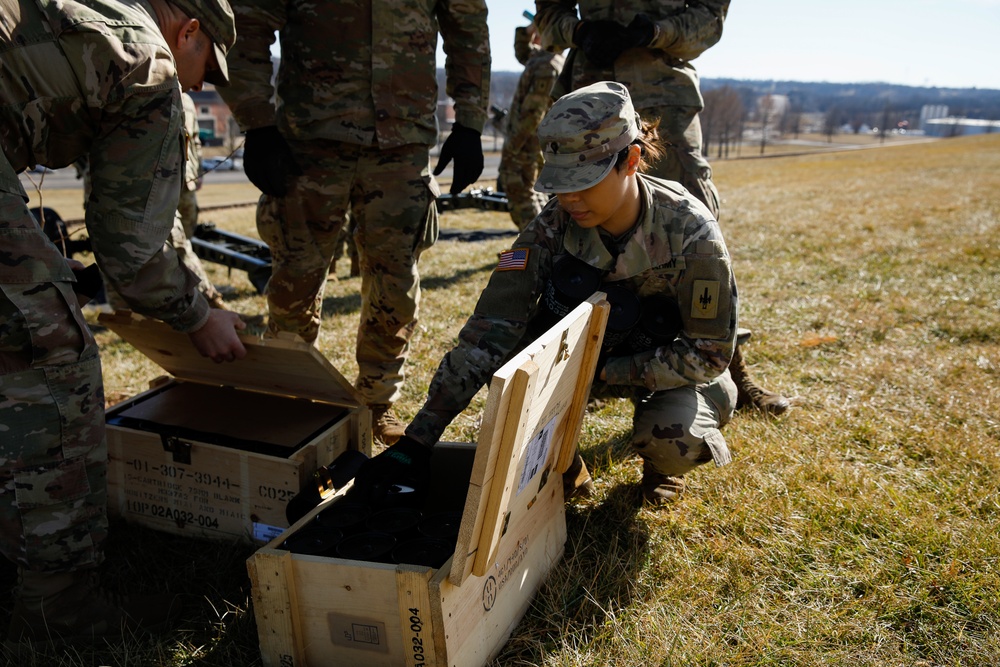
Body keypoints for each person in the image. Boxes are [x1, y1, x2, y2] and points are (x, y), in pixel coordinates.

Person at [356, 81, 738, 507]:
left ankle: (661, 466)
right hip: (583, 364)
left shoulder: (692, 233)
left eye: (585, 181)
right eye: (560, 182)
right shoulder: (550, 226)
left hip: (671, 367)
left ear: (630, 160)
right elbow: (489, 330)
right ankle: (565, 467)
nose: (569, 197)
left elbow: (709, 354)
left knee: (672, 438)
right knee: (511, 375)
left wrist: (606, 372)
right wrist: (419, 438)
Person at [0, 0, 245, 648]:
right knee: (50, 348)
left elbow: (150, 219)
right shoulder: (150, 62)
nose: (200, 85)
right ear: (187, 31)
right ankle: (60, 607)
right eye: (207, 68)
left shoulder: (99, 17)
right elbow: (130, 255)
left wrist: (203, 296)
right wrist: (198, 319)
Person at [218, 0, 491, 444]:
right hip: (310, 141)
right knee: (295, 280)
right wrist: (257, 122)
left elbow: (468, 31)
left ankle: (375, 404)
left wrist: (471, 122)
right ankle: (291, 401)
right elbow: (247, 26)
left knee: (395, 283)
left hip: (401, 143)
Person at [534, 0, 790, 415]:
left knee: (698, 229)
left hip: (663, 97)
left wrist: (652, 33)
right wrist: (576, 32)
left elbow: (709, 18)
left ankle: (729, 372)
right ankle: (585, 365)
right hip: (585, 98)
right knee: (577, 235)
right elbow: (548, 11)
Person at [497, 20, 564, 231]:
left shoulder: (546, 65)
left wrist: (512, 147)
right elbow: (522, 52)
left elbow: (532, 114)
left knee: (520, 193)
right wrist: (528, 31)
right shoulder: (544, 59)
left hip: (525, 143)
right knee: (532, 192)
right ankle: (545, 244)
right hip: (530, 141)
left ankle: (538, 245)